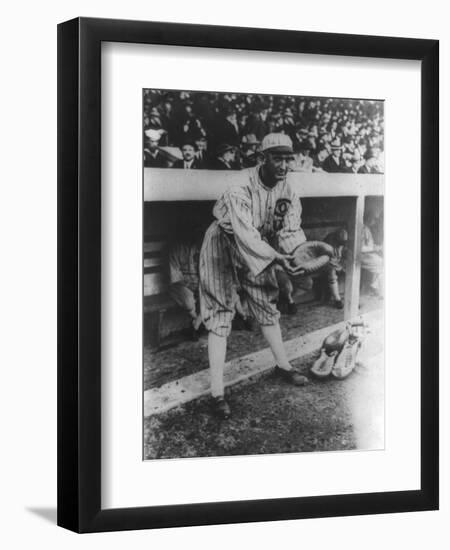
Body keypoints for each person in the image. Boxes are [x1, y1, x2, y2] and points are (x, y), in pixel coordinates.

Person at [199, 133, 309, 419]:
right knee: (220, 314)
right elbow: (244, 232)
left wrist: (297, 254)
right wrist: (276, 256)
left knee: (266, 304)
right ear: (262, 158)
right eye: (277, 158)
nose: (284, 164)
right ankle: (217, 392)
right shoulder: (239, 184)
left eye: (288, 158)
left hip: (259, 245)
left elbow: (290, 228)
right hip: (223, 243)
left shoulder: (288, 189)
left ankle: (283, 365)